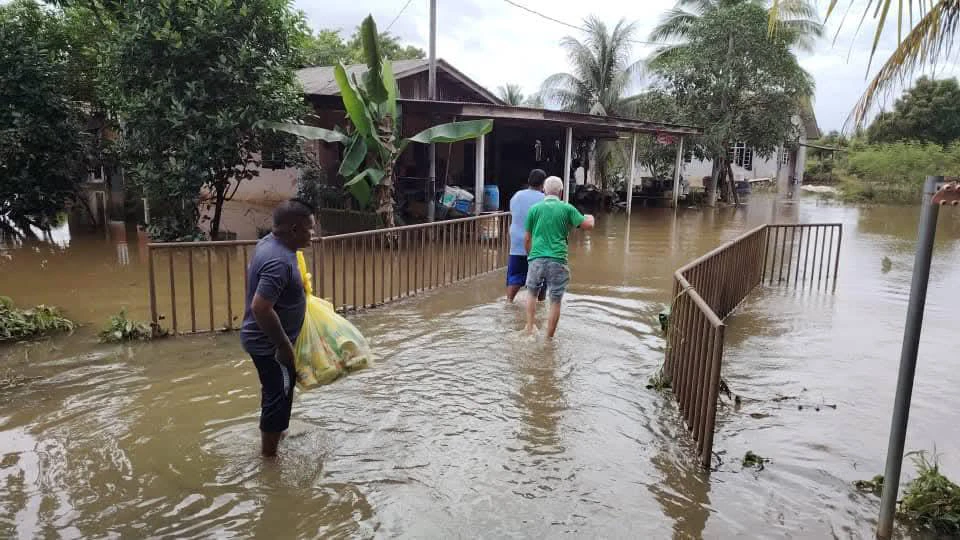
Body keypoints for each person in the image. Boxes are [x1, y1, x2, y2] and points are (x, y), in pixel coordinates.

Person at [240, 199, 316, 457]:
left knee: (278, 391)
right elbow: (261, 307)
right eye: (310, 229)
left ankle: (277, 433)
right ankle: (269, 460)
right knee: (278, 396)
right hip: (270, 345)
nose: (313, 234)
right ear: (294, 229)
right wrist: (283, 346)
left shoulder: (269, 244)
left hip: (267, 341)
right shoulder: (279, 261)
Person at [524, 176, 595, 338]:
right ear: (561, 192)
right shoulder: (567, 208)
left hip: (536, 257)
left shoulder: (534, 209)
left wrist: (531, 257)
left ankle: (529, 328)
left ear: (544, 190)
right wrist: (591, 217)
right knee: (555, 300)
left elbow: (527, 238)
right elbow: (587, 225)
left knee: (532, 294)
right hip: (557, 258)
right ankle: (549, 338)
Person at [506, 169, 547, 302]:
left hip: (517, 244)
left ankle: (509, 302)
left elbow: (514, 213)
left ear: (529, 180)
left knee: (515, 276)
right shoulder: (545, 200)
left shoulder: (517, 196)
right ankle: (540, 304)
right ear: (543, 184)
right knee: (541, 279)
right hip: (538, 247)